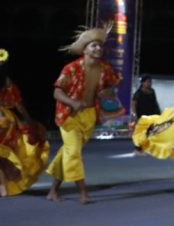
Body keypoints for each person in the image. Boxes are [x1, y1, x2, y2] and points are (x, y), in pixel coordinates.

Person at [46, 25, 121, 204]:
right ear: (85, 49)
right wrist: (72, 102)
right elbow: (57, 92)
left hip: (88, 115)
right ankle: (83, 193)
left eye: (100, 46)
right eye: (94, 45)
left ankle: (53, 191)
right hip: (68, 115)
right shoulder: (71, 68)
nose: (98, 48)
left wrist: (107, 93)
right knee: (73, 153)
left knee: (69, 152)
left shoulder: (105, 68)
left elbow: (110, 87)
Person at [0, 48, 50, 197]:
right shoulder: (6, 81)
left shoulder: (6, 82)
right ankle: (2, 187)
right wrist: (29, 122)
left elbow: (18, 105)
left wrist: (30, 123)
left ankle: (2, 187)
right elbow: (18, 105)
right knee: (3, 156)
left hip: (3, 120)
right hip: (6, 120)